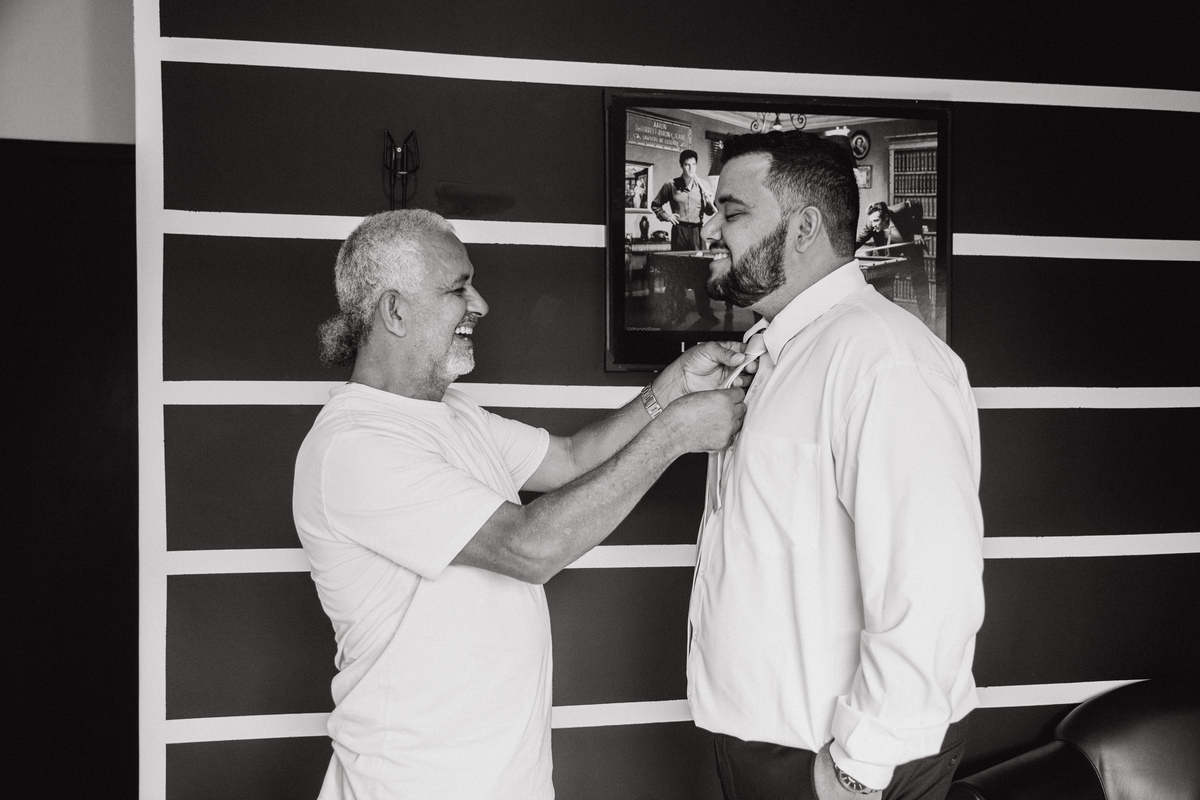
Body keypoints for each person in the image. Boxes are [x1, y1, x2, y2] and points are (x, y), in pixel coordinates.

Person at [292, 209, 750, 800]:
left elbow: (572, 457)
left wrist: (673, 388)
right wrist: (675, 435)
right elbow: (529, 547)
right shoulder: (355, 446)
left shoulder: (451, 413)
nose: (480, 304)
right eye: (458, 288)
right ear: (395, 311)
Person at [689, 131, 985, 800]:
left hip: (841, 767)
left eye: (732, 212)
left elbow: (931, 590)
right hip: (766, 747)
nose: (710, 230)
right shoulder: (775, 353)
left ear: (804, 228)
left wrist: (855, 771)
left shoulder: (885, 362)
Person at [651, 148, 720, 326]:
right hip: (679, 232)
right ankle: (678, 313)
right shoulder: (671, 185)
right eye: (687, 165)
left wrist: (709, 199)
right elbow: (656, 205)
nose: (690, 169)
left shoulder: (702, 185)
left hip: (697, 232)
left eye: (693, 165)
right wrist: (667, 216)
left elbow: (710, 211)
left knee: (702, 273)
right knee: (678, 273)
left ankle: (705, 312)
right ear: (681, 165)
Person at [856, 200, 931, 324]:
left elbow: (917, 204)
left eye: (876, 221)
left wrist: (917, 232)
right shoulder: (872, 225)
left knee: (919, 281)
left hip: (910, 245)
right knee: (884, 281)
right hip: (893, 248)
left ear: (886, 217)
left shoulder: (899, 210)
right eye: (872, 221)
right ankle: (886, 319)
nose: (873, 225)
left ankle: (928, 318)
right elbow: (860, 239)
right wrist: (847, 253)